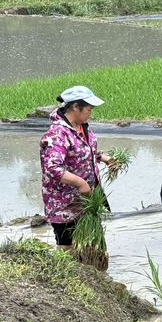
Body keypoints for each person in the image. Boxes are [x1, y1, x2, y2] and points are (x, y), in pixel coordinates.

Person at [39, 85, 116, 250]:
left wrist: (103, 158)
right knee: (68, 249)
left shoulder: (82, 127)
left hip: (86, 201)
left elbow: (84, 152)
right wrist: (81, 184)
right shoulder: (57, 134)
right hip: (65, 205)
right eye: (89, 108)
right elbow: (53, 168)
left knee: (89, 246)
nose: (91, 112)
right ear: (75, 107)